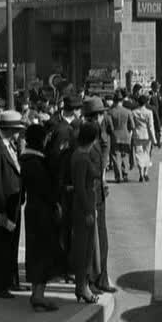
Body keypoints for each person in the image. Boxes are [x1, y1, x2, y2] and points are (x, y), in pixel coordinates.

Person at [0, 111, 25, 299]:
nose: (19, 133)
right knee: (1, 245)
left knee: (11, 244)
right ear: (10, 129)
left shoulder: (9, 145)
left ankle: (10, 280)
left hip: (13, 203)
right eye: (17, 129)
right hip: (3, 205)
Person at [20, 125, 60, 312]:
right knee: (43, 252)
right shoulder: (37, 162)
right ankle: (38, 295)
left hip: (32, 209)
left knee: (35, 251)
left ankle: (36, 293)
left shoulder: (26, 159)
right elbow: (47, 190)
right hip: (42, 210)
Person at [44, 94, 82, 282]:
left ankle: (62, 266)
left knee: (63, 228)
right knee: (63, 228)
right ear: (75, 111)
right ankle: (62, 268)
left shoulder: (57, 125)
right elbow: (57, 160)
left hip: (61, 185)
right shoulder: (64, 130)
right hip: (62, 187)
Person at [82, 97, 116, 293]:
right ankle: (91, 280)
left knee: (101, 240)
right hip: (91, 193)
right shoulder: (89, 136)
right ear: (98, 115)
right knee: (92, 241)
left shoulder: (98, 134)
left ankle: (101, 278)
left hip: (99, 191)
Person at [70, 122, 101, 304]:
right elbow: (80, 187)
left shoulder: (79, 154)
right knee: (85, 249)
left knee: (85, 248)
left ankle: (82, 285)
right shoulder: (82, 158)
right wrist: (88, 211)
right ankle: (82, 286)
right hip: (85, 205)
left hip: (85, 202)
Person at [107, 90, 134, 183]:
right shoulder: (128, 111)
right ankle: (125, 174)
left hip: (115, 136)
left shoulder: (110, 112)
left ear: (114, 101)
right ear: (122, 101)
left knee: (115, 156)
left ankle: (118, 176)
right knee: (125, 155)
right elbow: (132, 126)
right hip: (126, 135)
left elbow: (110, 126)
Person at [132, 95, 158, 182]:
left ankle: (141, 173)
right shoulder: (149, 112)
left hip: (137, 134)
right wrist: (154, 139)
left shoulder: (134, 112)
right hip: (147, 135)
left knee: (139, 154)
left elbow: (132, 125)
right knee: (147, 154)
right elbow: (151, 126)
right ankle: (146, 172)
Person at [149, 82, 162, 148]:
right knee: (153, 127)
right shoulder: (150, 94)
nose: (158, 88)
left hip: (158, 113)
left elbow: (161, 103)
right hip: (152, 113)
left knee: (158, 127)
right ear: (153, 87)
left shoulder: (158, 94)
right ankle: (153, 141)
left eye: (158, 87)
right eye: (157, 87)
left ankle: (158, 141)